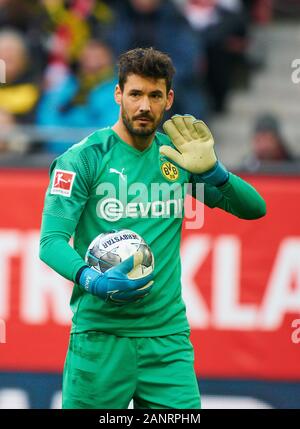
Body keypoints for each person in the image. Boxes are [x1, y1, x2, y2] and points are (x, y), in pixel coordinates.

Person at [39, 47, 266, 409]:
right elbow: (50, 242)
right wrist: (90, 279)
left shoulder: (177, 158)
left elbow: (254, 209)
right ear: (118, 94)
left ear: (168, 99)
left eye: (155, 95)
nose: (144, 106)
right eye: (136, 94)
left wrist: (213, 172)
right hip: (100, 338)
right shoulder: (83, 159)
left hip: (167, 341)